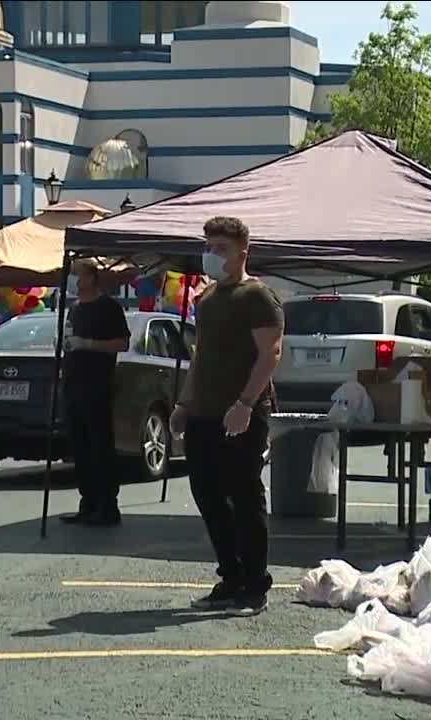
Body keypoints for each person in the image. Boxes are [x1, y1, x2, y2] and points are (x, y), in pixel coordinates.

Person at [170, 216, 283, 617]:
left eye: (221, 249)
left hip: (242, 413)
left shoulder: (257, 296)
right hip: (203, 413)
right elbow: (201, 357)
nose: (212, 255)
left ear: (242, 253)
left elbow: (271, 353)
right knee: (208, 495)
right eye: (209, 247)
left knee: (245, 495)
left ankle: (254, 585)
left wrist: (246, 404)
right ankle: (230, 577)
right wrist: (184, 404)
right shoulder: (208, 298)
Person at [60, 259, 132, 527]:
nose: (72, 279)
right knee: (79, 448)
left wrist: (89, 344)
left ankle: (107, 505)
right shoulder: (75, 309)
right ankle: (87, 502)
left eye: (76, 274)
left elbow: (122, 343)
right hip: (73, 385)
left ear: (90, 278)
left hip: (97, 386)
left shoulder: (108, 307)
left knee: (100, 446)